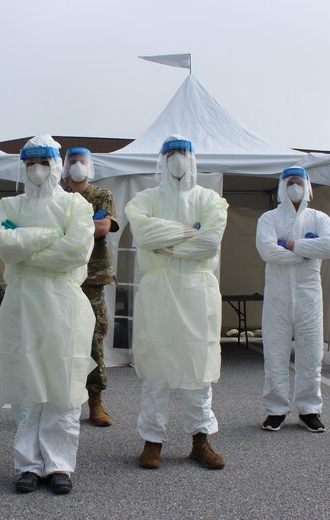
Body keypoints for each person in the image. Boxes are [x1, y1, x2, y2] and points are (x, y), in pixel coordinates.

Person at [0, 135, 95, 495]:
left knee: (62, 381)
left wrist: (25, 246)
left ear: (55, 166)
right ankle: (28, 464)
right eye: (30, 164)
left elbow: (77, 250)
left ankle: (59, 464)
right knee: (26, 381)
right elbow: (2, 242)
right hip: (22, 302)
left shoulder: (76, 206)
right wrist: (51, 236)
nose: (36, 170)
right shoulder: (7, 205)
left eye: (43, 163)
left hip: (64, 302)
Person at [124, 135, 228, 470]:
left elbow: (210, 243)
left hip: (198, 290)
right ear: (162, 160)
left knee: (199, 366)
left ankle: (201, 440)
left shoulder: (211, 200)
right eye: (171, 154)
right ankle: (152, 441)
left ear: (192, 159)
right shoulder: (144, 199)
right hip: (158, 291)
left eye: (183, 153)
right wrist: (190, 232)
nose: (177, 159)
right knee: (156, 366)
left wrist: (167, 242)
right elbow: (145, 235)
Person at [256, 166, 330, 433]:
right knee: (275, 356)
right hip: (277, 300)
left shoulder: (319, 218)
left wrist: (290, 245)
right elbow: (268, 251)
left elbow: (328, 246)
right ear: (282, 186)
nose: (294, 186)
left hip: (309, 299)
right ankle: (276, 410)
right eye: (289, 181)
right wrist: (305, 252)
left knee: (311, 356)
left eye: (298, 181)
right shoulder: (268, 218)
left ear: (307, 185)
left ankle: (309, 410)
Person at [62, 146, 119, 427]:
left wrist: (67, 226)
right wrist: (87, 222)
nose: (76, 165)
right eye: (72, 161)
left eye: (81, 161)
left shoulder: (101, 195)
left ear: (89, 165)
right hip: (61, 274)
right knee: (60, 335)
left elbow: (103, 229)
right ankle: (61, 399)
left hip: (93, 277)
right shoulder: (57, 194)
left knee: (94, 337)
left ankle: (95, 402)